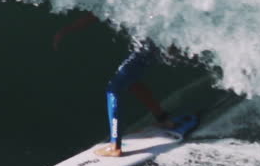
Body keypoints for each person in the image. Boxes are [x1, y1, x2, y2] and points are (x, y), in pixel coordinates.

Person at [53, 12, 171, 157]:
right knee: (131, 81)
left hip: (152, 43)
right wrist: (70, 28)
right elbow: (99, 11)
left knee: (114, 89)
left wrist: (69, 29)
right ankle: (164, 119)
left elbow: (98, 12)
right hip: (158, 40)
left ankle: (115, 146)